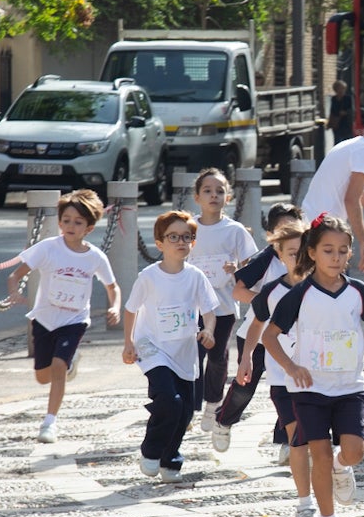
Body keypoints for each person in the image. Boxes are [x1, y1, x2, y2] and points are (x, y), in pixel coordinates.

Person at [259, 213, 364, 517]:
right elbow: (269, 336)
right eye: (328, 250)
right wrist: (290, 366)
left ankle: (341, 467)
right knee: (317, 451)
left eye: (343, 251)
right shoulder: (299, 294)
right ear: (312, 252)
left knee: (354, 451)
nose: (337, 257)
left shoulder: (358, 291)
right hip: (309, 390)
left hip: (349, 387)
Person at [6, 189, 121, 444]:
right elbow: (15, 274)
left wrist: (115, 307)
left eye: (78, 222)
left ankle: (49, 423)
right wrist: (14, 292)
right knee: (42, 376)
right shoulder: (48, 248)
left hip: (74, 320)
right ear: (59, 222)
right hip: (44, 319)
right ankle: (69, 363)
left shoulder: (94, 257)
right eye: (66, 220)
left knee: (58, 367)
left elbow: (113, 287)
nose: (71, 226)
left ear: (88, 228)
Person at [232, 219, 318, 517]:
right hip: (283, 378)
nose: (298, 258)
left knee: (322, 443)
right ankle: (304, 505)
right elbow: (255, 325)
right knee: (298, 439)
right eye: (291, 252)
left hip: (320, 378)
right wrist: (246, 358)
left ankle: (335, 472)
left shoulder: (323, 285)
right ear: (279, 255)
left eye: (302, 251)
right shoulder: (270, 291)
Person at [123, 210, 219, 483]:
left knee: (185, 410)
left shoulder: (196, 276)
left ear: (193, 243)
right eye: (173, 237)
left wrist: (209, 330)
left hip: (184, 352)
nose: (180, 242)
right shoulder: (149, 276)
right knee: (168, 400)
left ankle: (170, 459)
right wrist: (128, 343)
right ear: (160, 242)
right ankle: (151, 451)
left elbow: (209, 310)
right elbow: (130, 310)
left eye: (186, 237)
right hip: (152, 347)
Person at [224, 202, 304, 464]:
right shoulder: (266, 257)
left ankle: (286, 442)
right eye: (282, 229)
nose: (288, 234)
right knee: (245, 388)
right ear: (271, 234)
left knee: (289, 387)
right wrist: (271, 302)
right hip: (256, 334)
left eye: (293, 227)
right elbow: (238, 291)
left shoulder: (311, 258)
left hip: (291, 339)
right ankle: (224, 421)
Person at [189, 168, 257, 434]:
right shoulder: (189, 226)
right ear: (197, 197)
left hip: (224, 306)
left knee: (217, 356)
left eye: (219, 191)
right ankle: (189, 407)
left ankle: (212, 403)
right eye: (207, 190)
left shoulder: (234, 230)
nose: (213, 195)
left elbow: (250, 262)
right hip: (192, 306)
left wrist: (235, 267)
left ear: (228, 197)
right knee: (193, 355)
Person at [300, 102, 364, 274]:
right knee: (335, 293)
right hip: (324, 232)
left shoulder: (354, 146)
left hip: (312, 227)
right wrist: (363, 244)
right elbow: (352, 200)